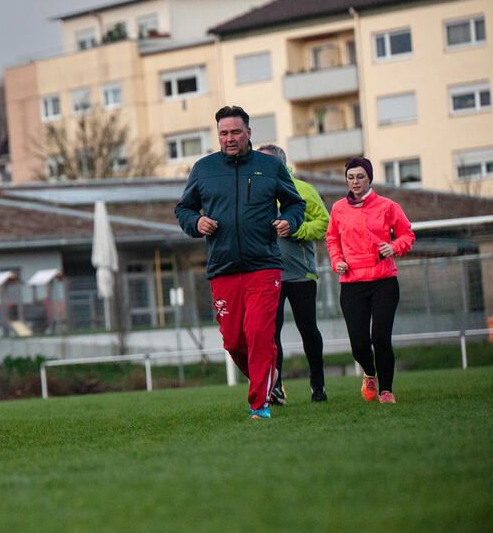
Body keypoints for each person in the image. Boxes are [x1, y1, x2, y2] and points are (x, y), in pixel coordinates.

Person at [175, 106, 304, 420]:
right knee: (233, 340)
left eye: (235, 132)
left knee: (260, 333)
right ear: (217, 135)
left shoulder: (270, 166)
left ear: (248, 133)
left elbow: (294, 203)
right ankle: (267, 378)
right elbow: (183, 209)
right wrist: (197, 222)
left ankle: (259, 404)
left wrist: (289, 221)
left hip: (264, 266)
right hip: (223, 268)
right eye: (223, 133)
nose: (229, 138)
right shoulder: (203, 169)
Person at [326, 157, 415, 404]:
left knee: (380, 337)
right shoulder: (338, 209)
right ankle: (369, 373)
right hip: (352, 283)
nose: (355, 182)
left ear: (370, 178)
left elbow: (407, 234)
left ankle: (386, 390)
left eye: (360, 177)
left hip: (384, 281)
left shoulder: (388, 206)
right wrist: (337, 262)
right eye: (350, 177)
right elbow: (332, 239)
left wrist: (394, 246)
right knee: (359, 344)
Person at [257, 144, 330, 404]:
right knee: (270, 334)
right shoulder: (256, 190)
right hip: (267, 273)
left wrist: (295, 229)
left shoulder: (303, 190)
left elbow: (324, 224)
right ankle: (276, 388)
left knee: (308, 330)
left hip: (300, 274)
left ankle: (318, 386)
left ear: (278, 164)